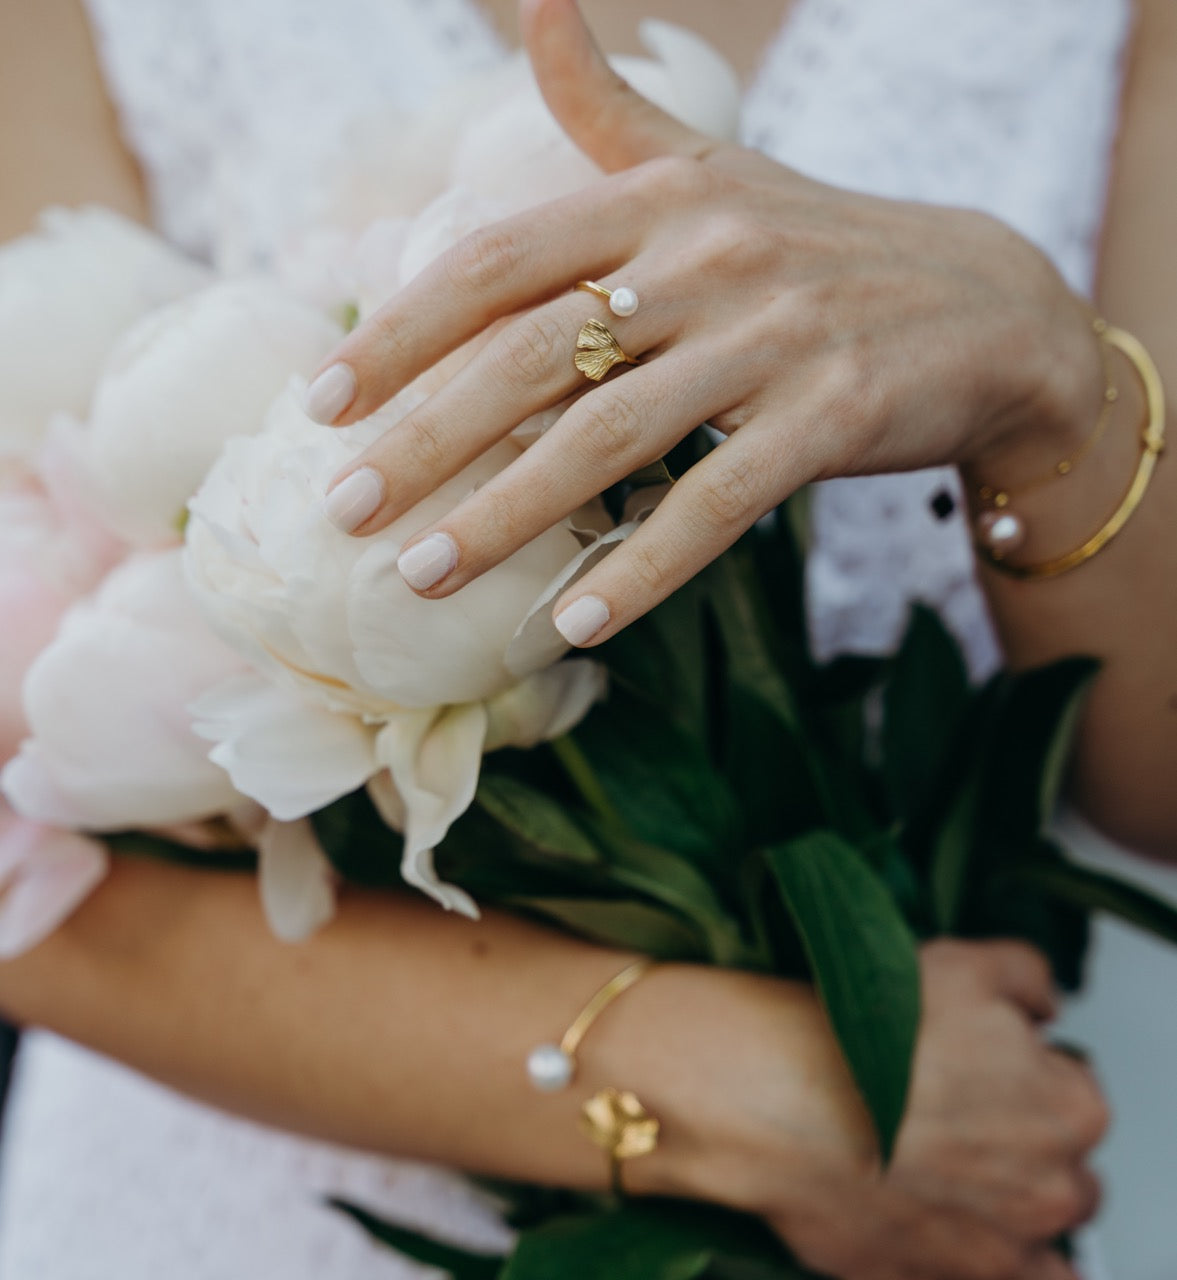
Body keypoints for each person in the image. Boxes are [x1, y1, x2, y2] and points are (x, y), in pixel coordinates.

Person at [0, 1, 1164, 1277]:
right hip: (231, 1200)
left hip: (941, 1175)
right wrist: (740, 1093)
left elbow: (1151, 796)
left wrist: (1054, 379)